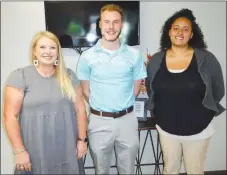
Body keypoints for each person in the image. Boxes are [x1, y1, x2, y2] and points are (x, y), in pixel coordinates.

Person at [145, 9, 225, 174]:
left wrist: (206, 112)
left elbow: (218, 90)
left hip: (198, 129)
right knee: (170, 169)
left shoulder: (206, 59)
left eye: (185, 29)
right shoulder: (157, 60)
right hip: (166, 128)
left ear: (191, 34)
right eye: (176, 28)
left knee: (195, 171)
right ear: (169, 32)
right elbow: (151, 88)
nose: (180, 32)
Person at [3, 31, 87, 174]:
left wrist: (82, 140)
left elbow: (80, 109)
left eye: (52, 48)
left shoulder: (69, 76)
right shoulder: (20, 76)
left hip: (66, 147)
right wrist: (19, 151)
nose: (48, 51)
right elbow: (9, 117)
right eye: (42, 47)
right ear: (34, 51)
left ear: (58, 52)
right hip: (33, 149)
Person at [77, 4, 147, 174]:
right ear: (100, 24)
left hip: (127, 120)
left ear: (121, 25)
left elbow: (136, 90)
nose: (111, 27)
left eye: (115, 22)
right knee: (101, 170)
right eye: (106, 22)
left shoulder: (134, 55)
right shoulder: (86, 57)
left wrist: (121, 108)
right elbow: (86, 92)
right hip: (99, 121)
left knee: (128, 170)